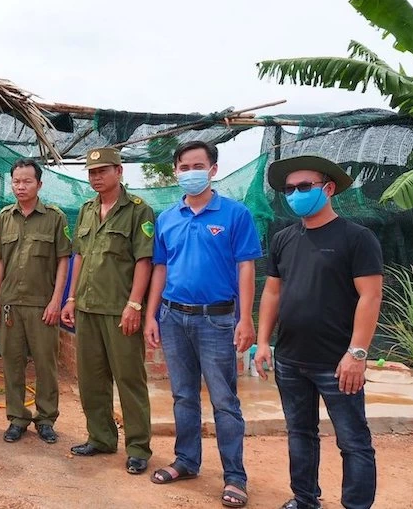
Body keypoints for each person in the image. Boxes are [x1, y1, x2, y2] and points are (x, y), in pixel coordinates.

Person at [255, 156, 382, 509]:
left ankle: (356, 505)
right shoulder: (283, 238)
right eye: (289, 189)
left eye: (304, 187)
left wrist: (357, 353)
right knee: (300, 434)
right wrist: (264, 342)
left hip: (338, 363)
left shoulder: (357, 238)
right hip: (290, 359)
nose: (295, 194)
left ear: (328, 189)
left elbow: (370, 296)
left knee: (353, 440)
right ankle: (305, 499)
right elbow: (273, 291)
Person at [143, 141, 261, 508]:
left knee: (225, 401)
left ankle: (235, 478)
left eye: (198, 165)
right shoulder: (167, 218)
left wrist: (246, 317)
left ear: (212, 169)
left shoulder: (235, 214)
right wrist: (151, 314)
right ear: (175, 171)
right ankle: (186, 461)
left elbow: (246, 266)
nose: (190, 172)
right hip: (173, 317)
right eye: (183, 166)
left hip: (218, 319)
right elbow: (160, 268)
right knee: (183, 395)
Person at [61, 147, 154, 474]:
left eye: (102, 171)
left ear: (119, 171)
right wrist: (70, 299)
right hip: (86, 308)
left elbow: (144, 260)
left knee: (129, 379)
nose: (96, 177)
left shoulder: (139, 211)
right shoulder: (86, 210)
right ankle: (100, 437)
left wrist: (134, 304)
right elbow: (79, 257)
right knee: (91, 379)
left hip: (119, 311)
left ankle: (139, 447)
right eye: (91, 172)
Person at [0, 158, 69, 444]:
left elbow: (63, 261)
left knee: (46, 365)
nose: (20, 186)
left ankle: (46, 419)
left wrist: (56, 300)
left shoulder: (55, 217)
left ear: (39, 184)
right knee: (12, 363)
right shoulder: (2, 218)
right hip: (10, 304)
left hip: (41, 305)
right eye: (16, 182)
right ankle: (17, 418)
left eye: (27, 181)